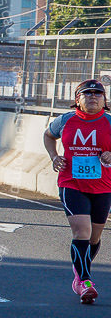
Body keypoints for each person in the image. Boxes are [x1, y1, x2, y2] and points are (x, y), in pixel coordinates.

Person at [42, 78, 111, 305]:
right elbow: (48, 136)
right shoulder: (66, 120)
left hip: (102, 186)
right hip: (72, 184)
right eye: (87, 93)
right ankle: (84, 281)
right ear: (77, 100)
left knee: (94, 237)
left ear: (104, 100)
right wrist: (54, 157)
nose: (93, 96)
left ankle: (80, 269)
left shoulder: (109, 122)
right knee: (81, 232)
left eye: (97, 93)